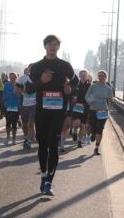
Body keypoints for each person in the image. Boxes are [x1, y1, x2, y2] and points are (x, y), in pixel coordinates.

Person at [30, 35, 75, 196]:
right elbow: (28, 89)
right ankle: (43, 175)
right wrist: (41, 81)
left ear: (58, 47)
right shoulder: (36, 66)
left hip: (58, 112)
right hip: (42, 112)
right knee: (43, 145)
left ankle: (49, 181)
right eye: (50, 44)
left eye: (56, 44)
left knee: (53, 145)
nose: (53, 47)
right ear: (45, 46)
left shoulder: (64, 66)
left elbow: (75, 83)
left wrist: (69, 88)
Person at [85, 70, 114, 155]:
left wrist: (109, 105)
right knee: (93, 127)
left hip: (103, 111)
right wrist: (89, 101)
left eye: (103, 76)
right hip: (93, 109)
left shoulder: (108, 88)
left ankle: (96, 148)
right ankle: (92, 134)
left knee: (100, 129)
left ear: (106, 77)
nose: (101, 77)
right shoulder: (93, 86)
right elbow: (87, 96)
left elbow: (110, 99)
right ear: (98, 77)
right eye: (99, 76)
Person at [68, 70, 91, 149]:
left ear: (87, 76)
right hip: (77, 106)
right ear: (79, 76)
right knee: (76, 123)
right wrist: (73, 98)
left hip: (86, 107)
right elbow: (71, 93)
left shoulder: (90, 85)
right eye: (82, 74)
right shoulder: (76, 84)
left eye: (85, 74)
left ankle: (79, 141)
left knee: (82, 125)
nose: (83, 76)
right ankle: (74, 131)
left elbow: (93, 96)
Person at [17, 66, 36, 150]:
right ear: (27, 69)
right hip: (24, 104)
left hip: (34, 104)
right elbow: (17, 89)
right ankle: (27, 137)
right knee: (24, 124)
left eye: (32, 68)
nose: (30, 70)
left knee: (30, 124)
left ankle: (28, 141)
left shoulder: (37, 78)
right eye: (30, 68)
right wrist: (22, 91)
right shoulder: (22, 78)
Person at [2, 72, 21, 144]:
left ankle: (14, 139)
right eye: (10, 77)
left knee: (14, 123)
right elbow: (4, 94)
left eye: (13, 77)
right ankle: (8, 138)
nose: (12, 78)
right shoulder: (6, 85)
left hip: (16, 106)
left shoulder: (19, 85)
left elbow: (20, 96)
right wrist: (4, 100)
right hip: (8, 106)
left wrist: (16, 93)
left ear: (16, 77)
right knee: (8, 122)